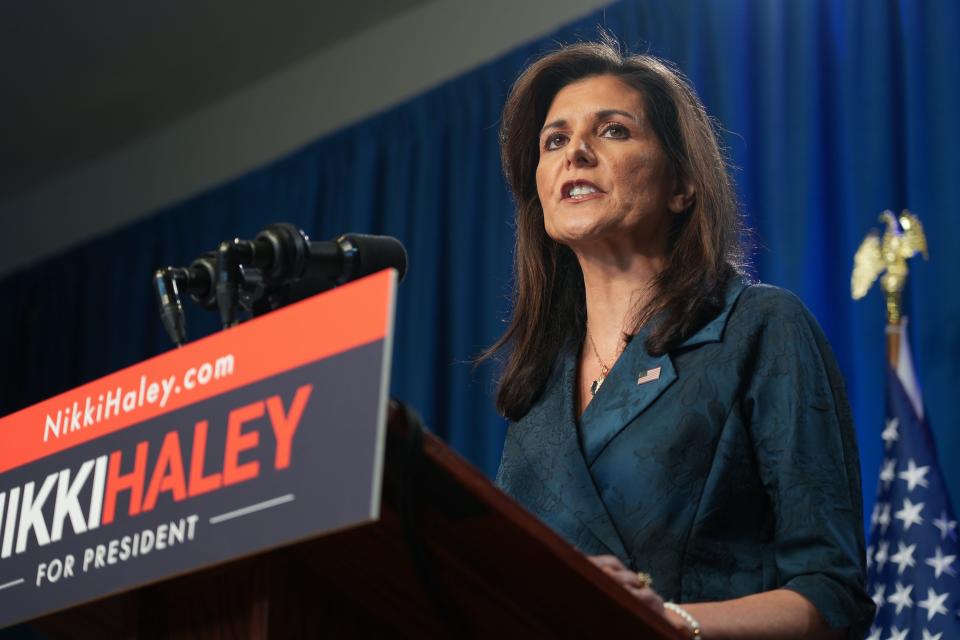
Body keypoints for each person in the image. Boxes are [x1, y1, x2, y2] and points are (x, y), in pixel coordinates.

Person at [485, 40, 875, 639]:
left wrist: (666, 621)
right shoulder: (534, 399)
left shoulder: (760, 327)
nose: (576, 154)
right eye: (555, 141)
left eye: (612, 131)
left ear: (682, 185)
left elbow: (830, 594)